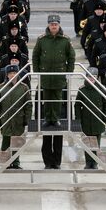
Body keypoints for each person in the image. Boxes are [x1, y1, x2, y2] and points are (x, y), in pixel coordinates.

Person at [32, 14, 75, 169]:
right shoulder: (42, 40)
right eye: (52, 24)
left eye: (56, 24)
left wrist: (68, 72)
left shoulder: (65, 40)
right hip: (45, 76)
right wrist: (37, 72)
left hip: (58, 76)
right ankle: (47, 118)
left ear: (59, 25)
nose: (54, 26)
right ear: (48, 26)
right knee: (45, 99)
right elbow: (35, 56)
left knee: (57, 100)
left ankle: (55, 118)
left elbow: (71, 57)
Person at [0, 64, 32, 169]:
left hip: (18, 119)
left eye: (14, 73)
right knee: (6, 141)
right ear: (7, 75)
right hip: (5, 118)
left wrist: (27, 119)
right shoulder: (1, 87)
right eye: (10, 73)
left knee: (16, 141)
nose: (12, 75)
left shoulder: (24, 87)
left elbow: (28, 104)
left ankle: (16, 163)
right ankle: (4, 163)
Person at [74, 67, 106, 169]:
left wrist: (105, 118)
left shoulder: (101, 89)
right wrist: (78, 119)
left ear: (97, 77)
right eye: (89, 77)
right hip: (86, 120)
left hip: (97, 119)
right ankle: (88, 162)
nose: (91, 79)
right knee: (86, 143)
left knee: (96, 143)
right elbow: (77, 105)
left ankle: (95, 162)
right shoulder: (82, 89)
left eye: (94, 77)